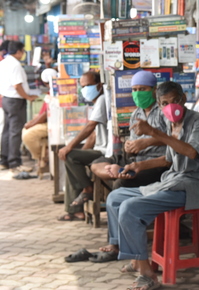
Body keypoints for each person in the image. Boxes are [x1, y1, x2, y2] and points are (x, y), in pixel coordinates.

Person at [104, 81, 199, 290]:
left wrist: (155, 133)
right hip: (172, 180)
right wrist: (138, 165)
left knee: (130, 208)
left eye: (175, 101)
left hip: (192, 185)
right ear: (160, 105)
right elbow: (169, 160)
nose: (171, 106)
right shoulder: (171, 122)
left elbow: (191, 152)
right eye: (164, 103)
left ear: (183, 98)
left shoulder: (196, 120)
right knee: (115, 198)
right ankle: (136, 258)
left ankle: (147, 273)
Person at [63, 70, 170, 264]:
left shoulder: (164, 111)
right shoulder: (136, 113)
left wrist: (146, 143)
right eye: (135, 89)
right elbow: (134, 142)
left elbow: (174, 140)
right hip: (135, 158)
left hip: (155, 163)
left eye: (143, 89)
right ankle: (119, 171)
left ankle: (116, 243)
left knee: (119, 186)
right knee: (97, 163)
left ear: (153, 90)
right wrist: (131, 146)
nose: (138, 93)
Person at [58, 71, 108, 221]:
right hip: (98, 149)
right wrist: (81, 153)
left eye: (88, 85)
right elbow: (93, 135)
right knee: (71, 160)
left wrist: (70, 147)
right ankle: (74, 210)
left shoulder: (103, 99)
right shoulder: (97, 103)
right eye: (83, 86)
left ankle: (87, 189)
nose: (85, 89)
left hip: (105, 152)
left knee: (70, 155)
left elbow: (90, 127)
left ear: (99, 85)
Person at [0, 41, 38, 172]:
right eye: (23, 51)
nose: (23, 54)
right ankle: (15, 163)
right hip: (15, 101)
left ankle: (4, 160)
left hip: (6, 99)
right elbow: (17, 86)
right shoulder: (15, 65)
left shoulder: (3, 63)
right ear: (19, 51)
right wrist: (28, 97)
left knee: (7, 130)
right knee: (15, 132)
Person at [21, 68, 57, 171]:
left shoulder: (54, 92)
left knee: (28, 135)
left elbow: (45, 115)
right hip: (45, 121)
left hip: (49, 123)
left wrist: (32, 124)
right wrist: (32, 122)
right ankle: (42, 156)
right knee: (25, 131)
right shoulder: (50, 92)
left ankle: (42, 157)